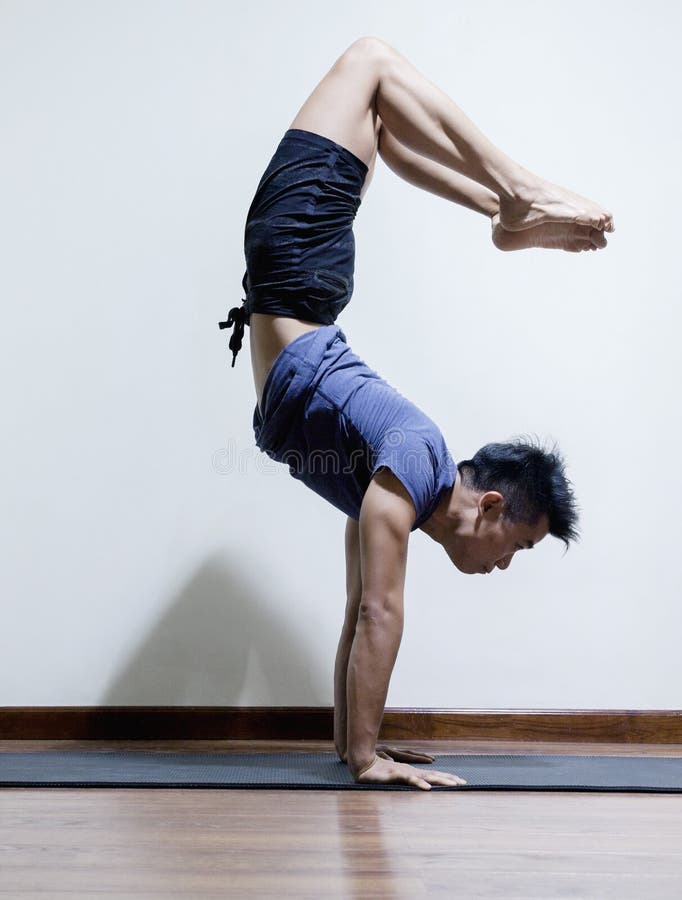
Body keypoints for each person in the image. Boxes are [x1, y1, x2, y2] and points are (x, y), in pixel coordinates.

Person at [218, 37, 613, 791]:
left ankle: (501, 211)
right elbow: (381, 613)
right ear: (490, 504)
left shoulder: (392, 488)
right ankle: (515, 192)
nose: (504, 565)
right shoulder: (416, 459)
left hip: (303, 278)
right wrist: (372, 760)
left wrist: (355, 747)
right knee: (371, 61)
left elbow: (355, 613)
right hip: (296, 263)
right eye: (518, 545)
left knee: (384, 122)